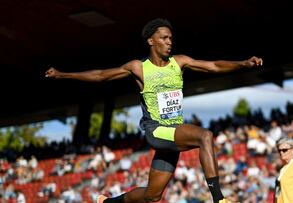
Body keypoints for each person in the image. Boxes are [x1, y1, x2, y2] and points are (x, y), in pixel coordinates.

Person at [45, 18, 263, 203]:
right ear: (151, 41)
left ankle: (109, 201)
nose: (170, 42)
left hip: (173, 132)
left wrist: (243, 63)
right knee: (205, 136)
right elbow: (101, 75)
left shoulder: (180, 62)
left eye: (170, 38)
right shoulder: (139, 68)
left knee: (152, 196)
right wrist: (63, 75)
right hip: (157, 130)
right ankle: (220, 199)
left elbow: (214, 65)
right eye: (164, 38)